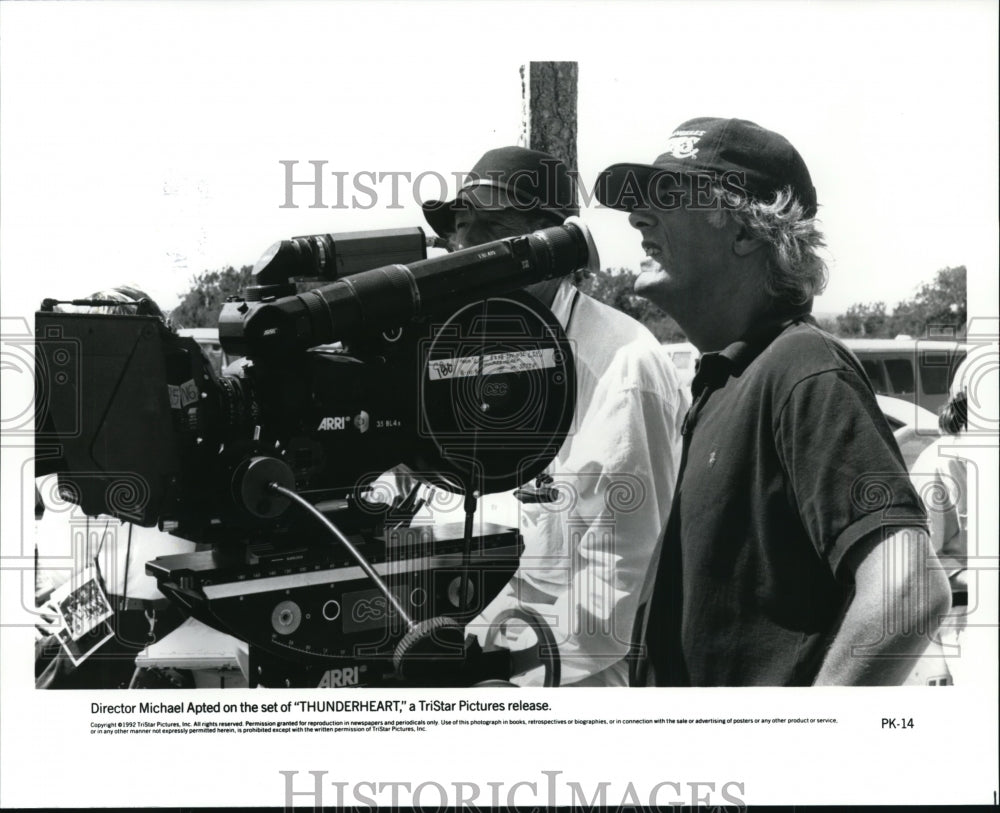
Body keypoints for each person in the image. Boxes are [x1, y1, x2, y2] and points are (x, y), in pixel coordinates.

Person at [595, 117, 951, 686]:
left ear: (746, 232)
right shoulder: (730, 379)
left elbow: (908, 591)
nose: (637, 218)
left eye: (665, 195)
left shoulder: (803, 369)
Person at [414, 146, 688, 685]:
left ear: (548, 245)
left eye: (488, 228)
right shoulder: (474, 352)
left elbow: (615, 575)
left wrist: (496, 671)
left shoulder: (622, 365)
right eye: (459, 229)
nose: (462, 249)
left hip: (565, 688)